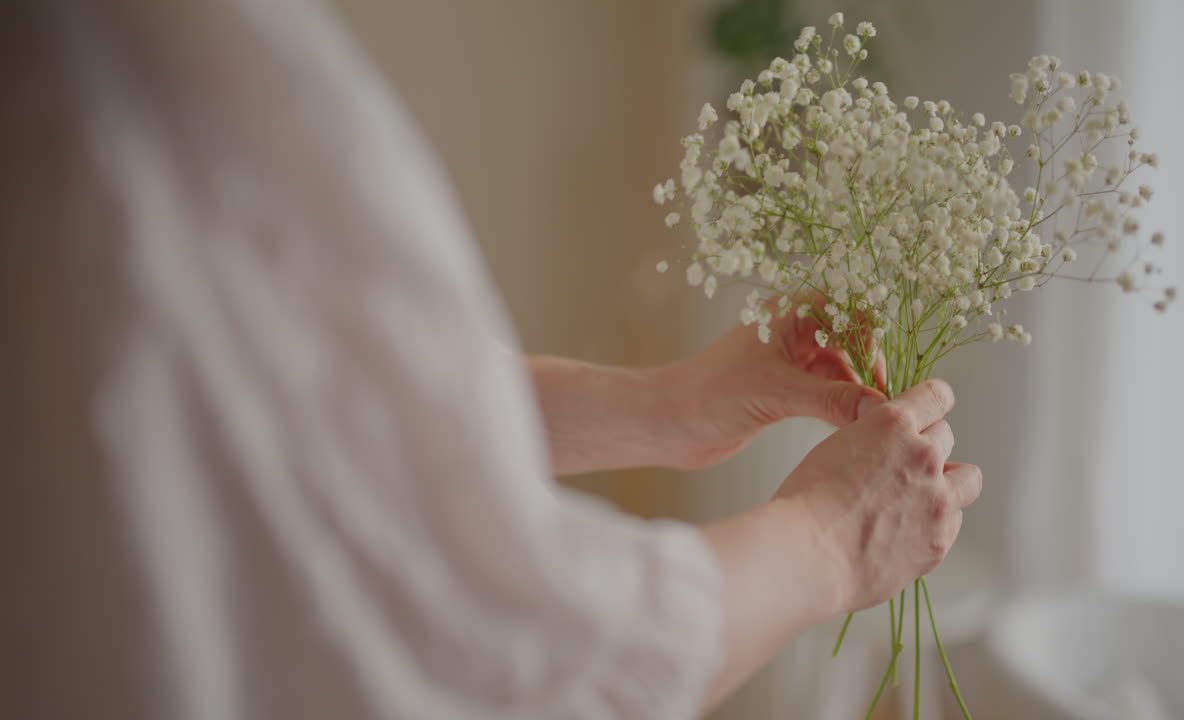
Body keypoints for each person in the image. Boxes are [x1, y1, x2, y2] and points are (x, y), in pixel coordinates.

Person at [1, 1, 980, 718]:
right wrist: (828, 542)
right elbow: (496, 655)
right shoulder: (107, 74)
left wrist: (670, 408)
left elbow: (303, 417)